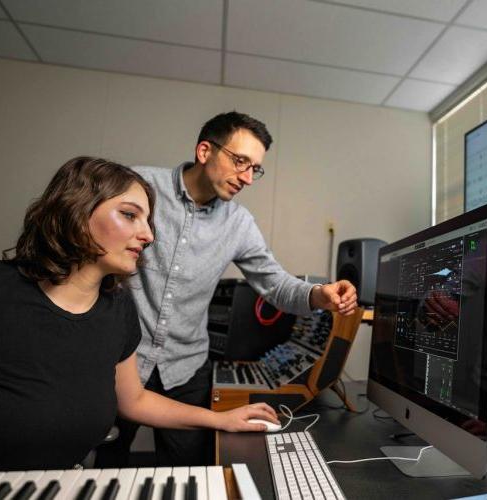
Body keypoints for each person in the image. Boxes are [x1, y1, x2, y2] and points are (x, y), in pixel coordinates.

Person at [0, 156, 278, 473]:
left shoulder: (118, 308)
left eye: (148, 220)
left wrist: (222, 420)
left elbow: (134, 401)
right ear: (76, 211)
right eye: (129, 215)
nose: (148, 235)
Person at [99, 112, 358, 466]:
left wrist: (318, 294)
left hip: (185, 370)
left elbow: (275, 283)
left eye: (256, 168)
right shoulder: (140, 187)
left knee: (193, 471)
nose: (248, 178)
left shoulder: (238, 223)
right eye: (241, 162)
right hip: (117, 362)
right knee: (104, 466)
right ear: (205, 150)